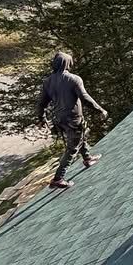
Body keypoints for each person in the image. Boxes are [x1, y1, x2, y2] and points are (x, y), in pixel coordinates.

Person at [37, 51, 108, 189]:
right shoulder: (74, 79)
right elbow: (85, 97)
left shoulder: (48, 82)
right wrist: (100, 110)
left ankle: (87, 158)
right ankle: (58, 178)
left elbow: (41, 103)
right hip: (73, 119)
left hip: (59, 120)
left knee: (80, 136)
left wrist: (41, 118)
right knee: (72, 148)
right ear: (68, 63)